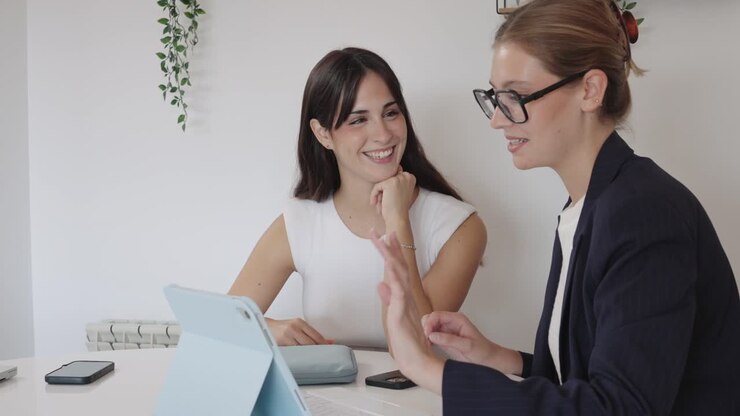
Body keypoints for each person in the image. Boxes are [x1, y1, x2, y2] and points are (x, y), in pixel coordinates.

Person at [372, 0, 740, 414]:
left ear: (590, 90)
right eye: (495, 96)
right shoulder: (588, 207)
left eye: (517, 95)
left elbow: (619, 407)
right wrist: (494, 356)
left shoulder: (642, 212)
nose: (497, 119)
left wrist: (424, 368)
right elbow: (585, 379)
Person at [229, 47, 487, 348]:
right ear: (323, 134)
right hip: (323, 396)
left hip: (423, 396)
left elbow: (413, 346)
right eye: (358, 120)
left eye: (391, 113)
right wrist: (264, 329)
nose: (383, 134)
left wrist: (397, 220)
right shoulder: (301, 221)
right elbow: (220, 322)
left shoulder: (459, 226)